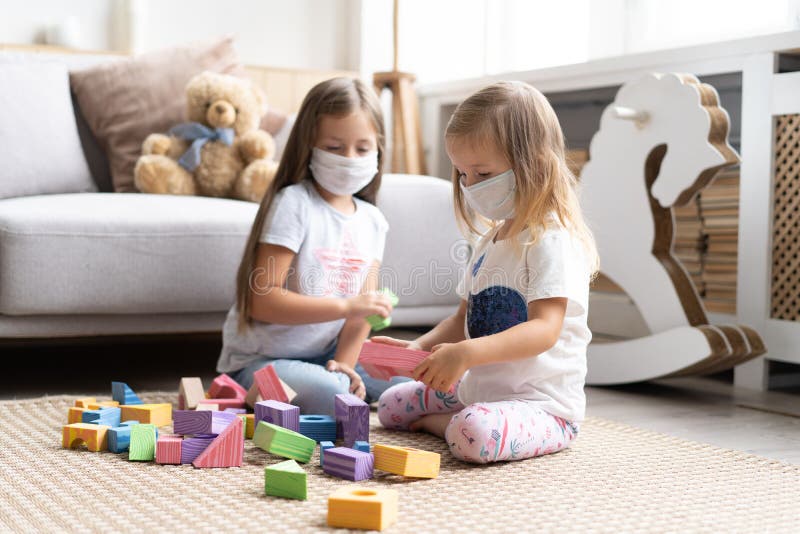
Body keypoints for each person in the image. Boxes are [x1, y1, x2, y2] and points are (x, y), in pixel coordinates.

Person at [375, 81, 599, 464]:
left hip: (542, 406)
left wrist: (466, 354)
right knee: (390, 404)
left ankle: (443, 424)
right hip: (482, 391)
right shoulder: (491, 240)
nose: (469, 186)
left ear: (534, 163)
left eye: (481, 173)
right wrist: (418, 351)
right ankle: (451, 418)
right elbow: (463, 318)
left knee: (471, 433)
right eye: (462, 175)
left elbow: (545, 330)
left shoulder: (551, 239)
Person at [216, 77, 397, 415]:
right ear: (309, 144)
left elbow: (364, 314)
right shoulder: (294, 203)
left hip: (329, 358)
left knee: (418, 377)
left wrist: (344, 364)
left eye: (362, 148)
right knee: (331, 394)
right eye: (333, 147)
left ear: (378, 150)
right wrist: (345, 307)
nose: (349, 158)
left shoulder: (373, 220)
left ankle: (344, 389)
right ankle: (283, 392)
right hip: (265, 359)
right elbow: (262, 300)